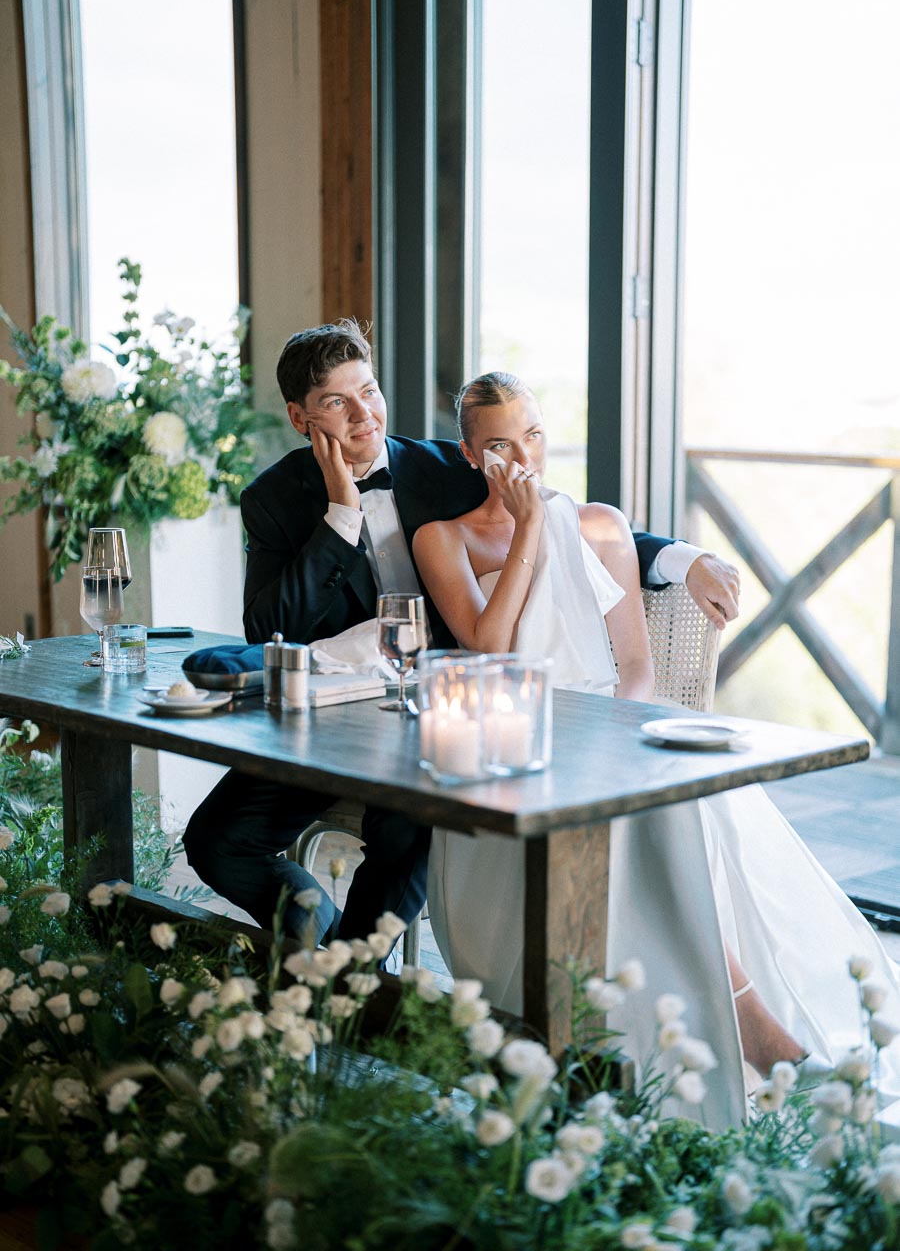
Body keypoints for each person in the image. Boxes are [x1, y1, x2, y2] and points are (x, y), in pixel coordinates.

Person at [413, 371, 900, 1130]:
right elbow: (489, 648)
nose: (526, 457)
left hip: (608, 730)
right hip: (516, 750)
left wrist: (614, 736)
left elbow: (634, 669)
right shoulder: (440, 539)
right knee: (650, 818)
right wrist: (531, 533)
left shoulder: (602, 526)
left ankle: (746, 1029)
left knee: (676, 803)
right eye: (503, 445)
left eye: (535, 435)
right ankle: (761, 1038)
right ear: (475, 456)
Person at [183, 321, 739, 951]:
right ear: (300, 418)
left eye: (368, 390)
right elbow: (268, 629)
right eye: (337, 402)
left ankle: (358, 982)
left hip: (450, 718)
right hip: (335, 719)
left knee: (406, 830)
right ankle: (328, 955)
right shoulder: (273, 499)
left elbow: (557, 523)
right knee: (215, 840)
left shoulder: (453, 467)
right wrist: (339, 515)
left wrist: (680, 559)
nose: (364, 414)